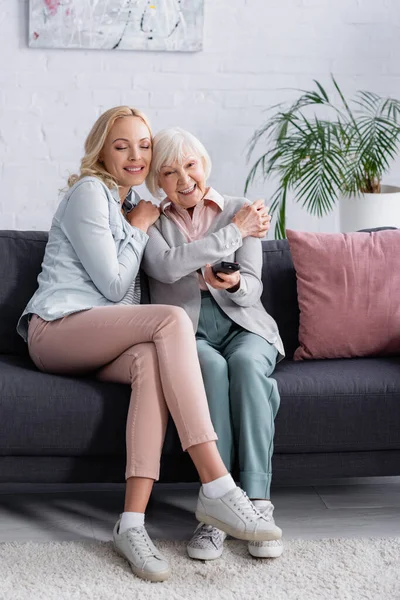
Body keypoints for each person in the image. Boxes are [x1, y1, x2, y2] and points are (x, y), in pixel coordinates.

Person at [16, 107, 282, 583]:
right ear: (102, 151)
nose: (135, 154)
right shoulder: (90, 194)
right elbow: (116, 286)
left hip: (100, 335)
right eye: (122, 146)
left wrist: (142, 220)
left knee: (153, 363)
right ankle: (217, 483)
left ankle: (131, 523)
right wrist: (139, 226)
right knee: (171, 321)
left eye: (143, 145)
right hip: (56, 329)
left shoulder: (132, 203)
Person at [142, 127, 285, 561]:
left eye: (190, 165)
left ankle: (257, 501)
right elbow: (166, 267)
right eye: (169, 171)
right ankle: (216, 509)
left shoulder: (242, 210)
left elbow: (255, 288)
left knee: (243, 366)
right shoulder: (154, 221)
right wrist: (231, 235)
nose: (184, 179)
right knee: (213, 369)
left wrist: (237, 281)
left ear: (204, 165)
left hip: (245, 325)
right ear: (158, 182)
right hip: (187, 331)